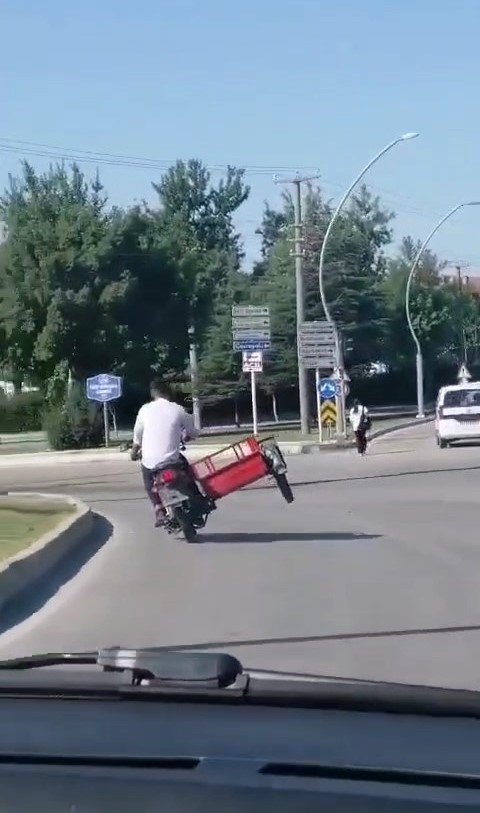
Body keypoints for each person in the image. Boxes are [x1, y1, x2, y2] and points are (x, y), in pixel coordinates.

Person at [131, 379, 199, 525]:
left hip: (150, 461)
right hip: (173, 460)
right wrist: (187, 437)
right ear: (169, 392)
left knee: (148, 480)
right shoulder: (178, 409)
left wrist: (134, 451)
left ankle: (159, 510)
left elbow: (137, 435)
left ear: (153, 393)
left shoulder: (144, 410)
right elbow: (193, 432)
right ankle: (197, 498)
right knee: (188, 471)